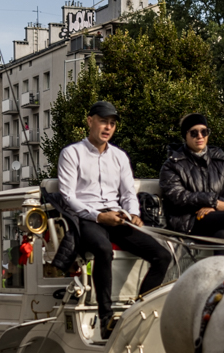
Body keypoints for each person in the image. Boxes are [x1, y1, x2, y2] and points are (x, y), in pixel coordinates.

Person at [56, 100, 173, 338]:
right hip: (88, 218)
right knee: (103, 250)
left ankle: (138, 310)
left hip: (118, 216)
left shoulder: (119, 156)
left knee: (163, 255)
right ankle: (106, 318)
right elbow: (68, 197)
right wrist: (99, 216)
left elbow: (129, 195)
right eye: (103, 122)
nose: (108, 127)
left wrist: (134, 216)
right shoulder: (71, 153)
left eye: (112, 123)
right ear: (90, 121)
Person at [158, 113, 224, 258]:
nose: (200, 136)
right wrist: (214, 202)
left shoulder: (221, 160)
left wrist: (213, 207)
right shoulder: (172, 164)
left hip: (216, 218)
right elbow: (178, 197)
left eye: (204, 132)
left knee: (222, 235)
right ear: (185, 136)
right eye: (194, 133)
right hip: (188, 222)